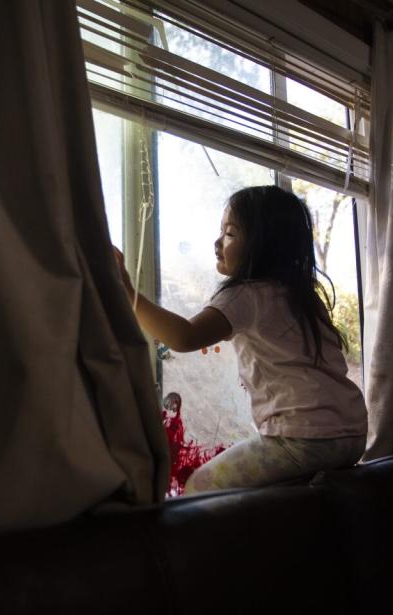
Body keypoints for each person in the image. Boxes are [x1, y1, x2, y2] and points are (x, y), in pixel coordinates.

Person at [114, 185, 367, 494]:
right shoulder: (303, 298)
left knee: (199, 486)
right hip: (352, 435)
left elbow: (184, 336)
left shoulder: (247, 294)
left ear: (264, 245)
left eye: (230, 234)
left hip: (304, 437)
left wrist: (127, 293)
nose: (217, 242)